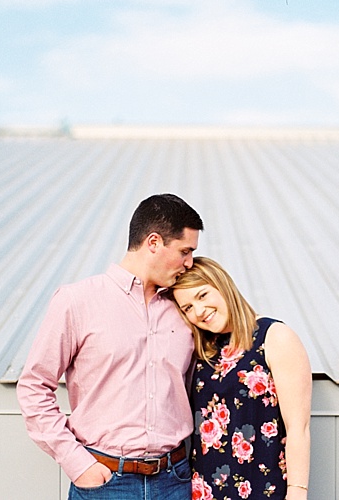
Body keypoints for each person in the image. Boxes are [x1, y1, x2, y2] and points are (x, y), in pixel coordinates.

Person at [17, 193, 204, 499]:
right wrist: (77, 463)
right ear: (154, 243)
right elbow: (34, 388)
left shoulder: (186, 308)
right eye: (185, 251)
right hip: (104, 482)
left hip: (176, 482)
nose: (190, 262)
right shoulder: (76, 301)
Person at [168, 257, 312, 500]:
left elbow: (299, 428)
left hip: (264, 488)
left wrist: (298, 493)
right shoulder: (203, 351)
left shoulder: (274, 337)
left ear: (222, 285)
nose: (199, 311)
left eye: (202, 295)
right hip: (205, 492)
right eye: (188, 308)